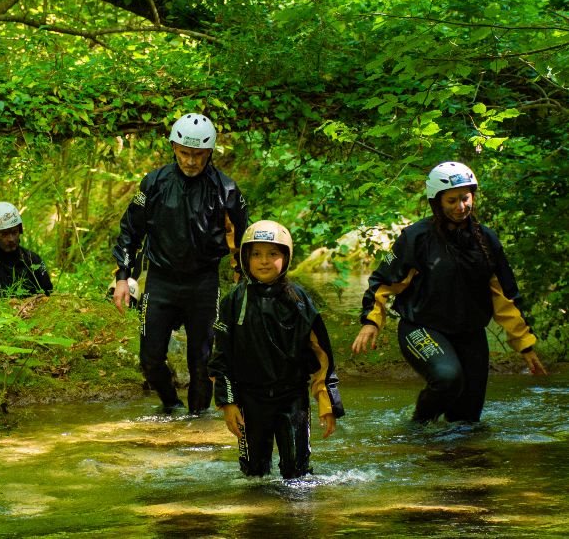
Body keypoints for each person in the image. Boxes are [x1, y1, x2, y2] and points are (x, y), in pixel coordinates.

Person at [352, 161, 547, 423]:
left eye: (465, 198)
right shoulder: (415, 238)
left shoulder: (486, 241)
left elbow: (505, 298)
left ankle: (454, 458)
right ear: (437, 202)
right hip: (421, 327)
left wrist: (524, 344)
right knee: (448, 379)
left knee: (467, 419)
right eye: (452, 200)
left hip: (470, 333)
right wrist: (371, 321)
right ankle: (417, 429)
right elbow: (383, 282)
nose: (461, 207)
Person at [112, 112, 248, 414]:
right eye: (185, 153)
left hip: (203, 283)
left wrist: (244, 279)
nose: (190, 161)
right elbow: (130, 230)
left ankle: (197, 420)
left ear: (209, 152)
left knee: (201, 362)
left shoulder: (225, 190)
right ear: (174, 147)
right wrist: (123, 276)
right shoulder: (154, 183)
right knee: (149, 358)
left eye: (198, 155)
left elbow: (243, 239)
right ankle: (171, 406)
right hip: (160, 281)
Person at [209, 220, 344, 479]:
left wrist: (327, 403)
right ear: (246, 258)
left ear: (286, 257)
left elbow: (322, 357)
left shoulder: (300, 301)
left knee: (297, 474)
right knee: (254, 475)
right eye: (256, 254)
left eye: (273, 254)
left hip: (292, 398)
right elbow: (221, 357)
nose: (264, 261)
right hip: (250, 400)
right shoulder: (233, 301)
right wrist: (228, 403)